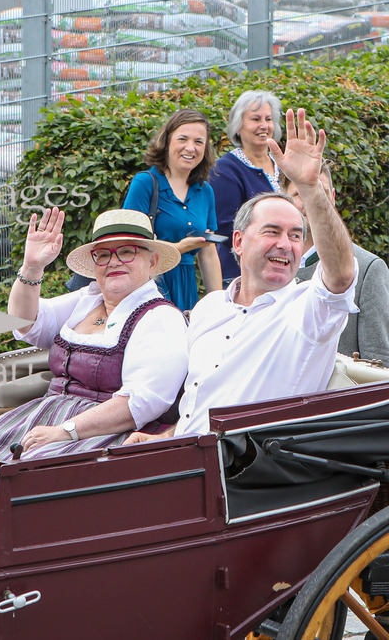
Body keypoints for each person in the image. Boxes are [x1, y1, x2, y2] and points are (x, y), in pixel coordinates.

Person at [126, 109, 356, 444]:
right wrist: (162, 439)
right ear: (238, 242)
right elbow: (199, 407)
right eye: (272, 231)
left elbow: (340, 274)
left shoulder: (308, 310)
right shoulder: (210, 308)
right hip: (183, 456)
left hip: (246, 476)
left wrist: (310, 189)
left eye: (295, 235)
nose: (286, 244)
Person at [0, 207, 188, 461]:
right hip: (44, 418)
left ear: (152, 261)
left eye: (127, 251)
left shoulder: (161, 318)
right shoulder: (87, 300)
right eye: (103, 255)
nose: (114, 261)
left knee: (10, 473)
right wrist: (32, 267)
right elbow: (25, 322)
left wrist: (65, 431)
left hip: (105, 435)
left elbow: (139, 404)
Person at [284, 161, 389, 364]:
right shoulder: (272, 263)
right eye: (299, 194)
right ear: (286, 200)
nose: (310, 201)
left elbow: (380, 360)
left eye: (318, 191)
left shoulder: (369, 268)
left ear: (332, 197)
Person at [123, 109, 222, 311]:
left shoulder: (205, 191)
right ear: (167, 141)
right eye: (183, 139)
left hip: (186, 286)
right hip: (147, 285)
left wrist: (219, 306)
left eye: (199, 142)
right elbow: (128, 241)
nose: (190, 148)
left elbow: (208, 252)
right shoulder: (145, 183)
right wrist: (178, 248)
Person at [209, 90, 284, 284]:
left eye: (268, 119)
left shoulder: (284, 164)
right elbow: (226, 226)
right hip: (242, 275)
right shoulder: (225, 170)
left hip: (283, 267)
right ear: (238, 127)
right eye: (255, 119)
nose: (264, 126)